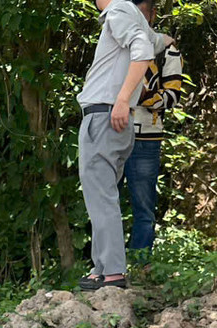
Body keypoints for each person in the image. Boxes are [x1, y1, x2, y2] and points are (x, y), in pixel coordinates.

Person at [78, 0, 157, 291]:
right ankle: (102, 268)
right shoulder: (133, 14)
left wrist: (122, 99)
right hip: (113, 119)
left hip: (104, 115)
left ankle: (111, 272)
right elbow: (153, 41)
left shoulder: (118, 10)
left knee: (101, 196)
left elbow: (143, 49)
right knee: (104, 195)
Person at [125, 27, 184, 261]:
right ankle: (106, 267)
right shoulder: (116, 41)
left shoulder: (166, 49)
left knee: (144, 209)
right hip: (110, 132)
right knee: (104, 203)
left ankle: (139, 266)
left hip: (145, 139)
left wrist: (140, 95)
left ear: (152, 13)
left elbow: (173, 96)